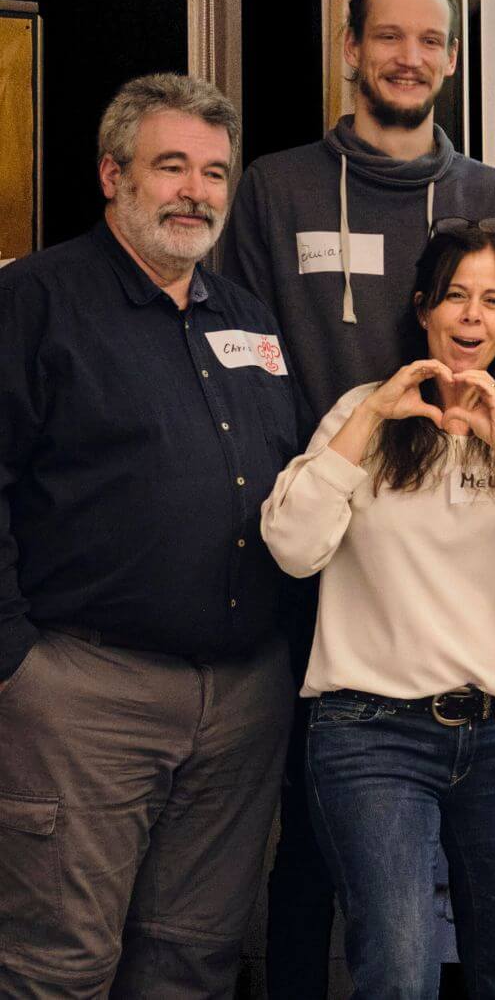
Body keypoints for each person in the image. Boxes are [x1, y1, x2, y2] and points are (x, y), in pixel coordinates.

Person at [217, 0, 495, 996]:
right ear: (349, 49)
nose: (408, 57)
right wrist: (321, 476)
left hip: (442, 555)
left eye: (429, 40)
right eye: (386, 37)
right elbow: (242, 353)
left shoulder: (490, 196)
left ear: (450, 58)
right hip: (312, 539)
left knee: (455, 896)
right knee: (311, 831)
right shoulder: (275, 186)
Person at [0, 75, 296, 996]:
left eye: (214, 172)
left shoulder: (245, 314)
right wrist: (19, 665)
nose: (195, 192)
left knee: (194, 960)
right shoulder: (35, 299)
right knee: (59, 965)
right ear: (111, 173)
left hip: (242, 701)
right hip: (86, 697)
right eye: (171, 166)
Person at [261, 224, 495, 996]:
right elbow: (292, 547)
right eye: (456, 296)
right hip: (372, 735)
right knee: (398, 971)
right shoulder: (357, 414)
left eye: (494, 301)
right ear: (423, 309)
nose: (472, 317)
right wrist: (374, 415)